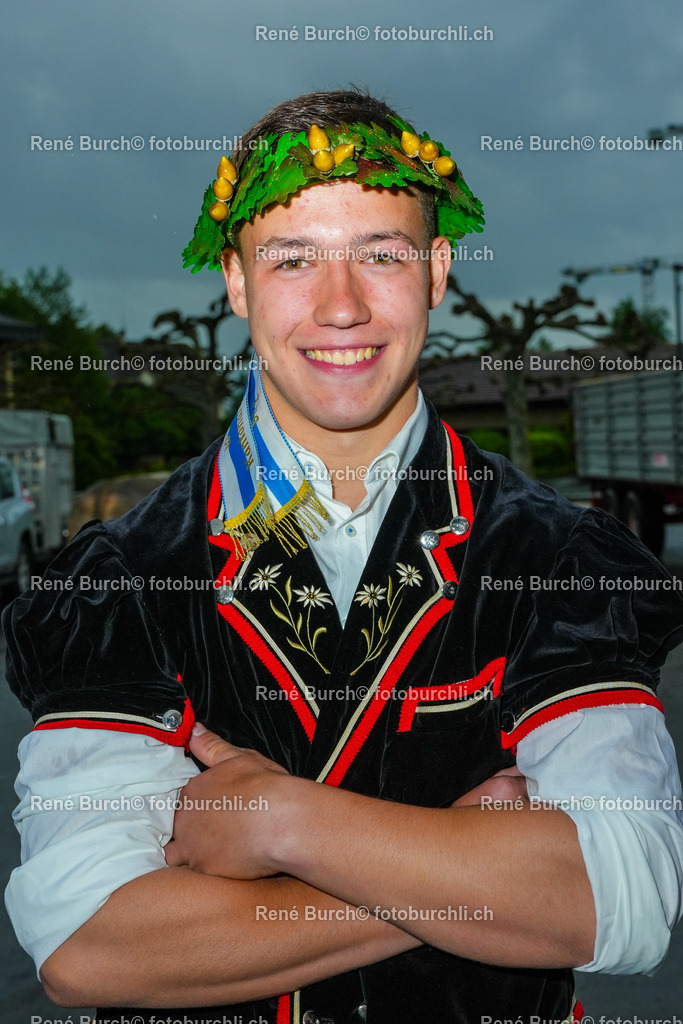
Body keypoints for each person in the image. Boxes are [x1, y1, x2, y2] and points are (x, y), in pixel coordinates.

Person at [4, 88, 683, 1024]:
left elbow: (625, 896)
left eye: (381, 254)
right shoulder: (123, 575)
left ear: (437, 269)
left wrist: (283, 821)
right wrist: (470, 866)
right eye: (292, 260)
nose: (341, 306)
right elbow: (91, 945)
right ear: (236, 282)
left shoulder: (558, 557)